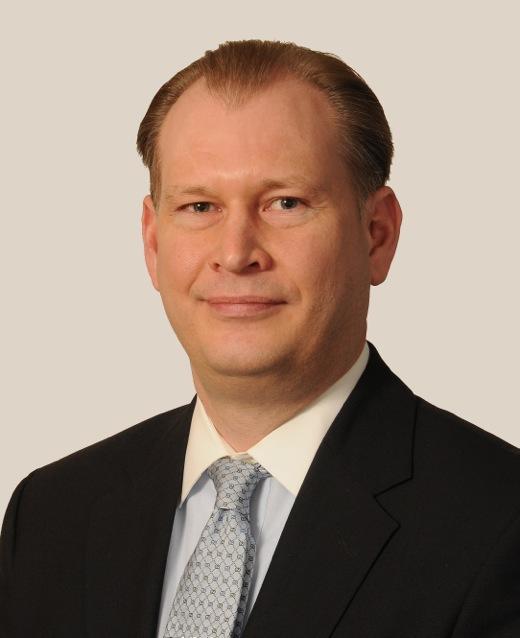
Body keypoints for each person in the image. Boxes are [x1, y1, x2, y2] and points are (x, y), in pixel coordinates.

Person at [1, 39, 519, 638]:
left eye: (285, 203)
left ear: (376, 234)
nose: (235, 252)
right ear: (153, 241)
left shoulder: (501, 524)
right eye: (200, 207)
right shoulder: (51, 515)